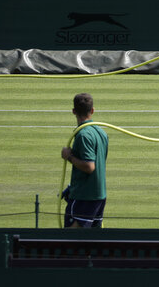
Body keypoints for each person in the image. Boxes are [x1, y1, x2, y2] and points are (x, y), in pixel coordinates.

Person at [61, 93, 109, 228]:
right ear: (92, 110)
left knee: (71, 240)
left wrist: (68, 156)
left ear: (73, 111)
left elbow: (89, 167)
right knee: (93, 242)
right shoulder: (101, 132)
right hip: (99, 195)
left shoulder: (83, 134)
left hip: (85, 197)